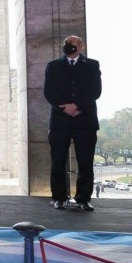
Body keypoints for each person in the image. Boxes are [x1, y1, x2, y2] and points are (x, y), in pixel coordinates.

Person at [43, 35, 102, 211]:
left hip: (85, 121)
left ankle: (83, 199)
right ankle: (58, 198)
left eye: (71, 43)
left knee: (85, 162)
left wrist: (77, 106)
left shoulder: (92, 65)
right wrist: (64, 108)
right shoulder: (53, 66)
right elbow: (49, 92)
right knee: (58, 162)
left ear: (81, 46)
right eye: (65, 43)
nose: (67, 45)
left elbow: (95, 91)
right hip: (60, 121)